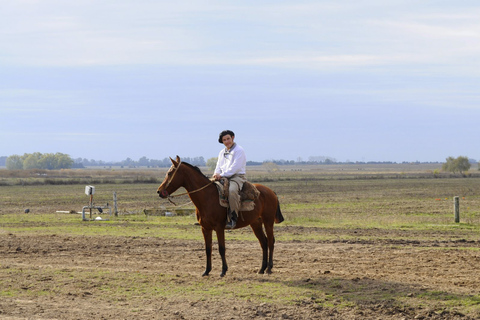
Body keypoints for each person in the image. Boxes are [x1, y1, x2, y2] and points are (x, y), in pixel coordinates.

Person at [213, 130, 247, 229]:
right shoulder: (222, 152)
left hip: (236, 177)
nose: (227, 141)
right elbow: (218, 166)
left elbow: (235, 168)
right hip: (222, 176)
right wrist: (216, 173)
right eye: (224, 140)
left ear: (233, 137)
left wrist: (222, 175)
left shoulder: (239, 150)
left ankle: (233, 218)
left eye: (228, 138)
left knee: (232, 191)